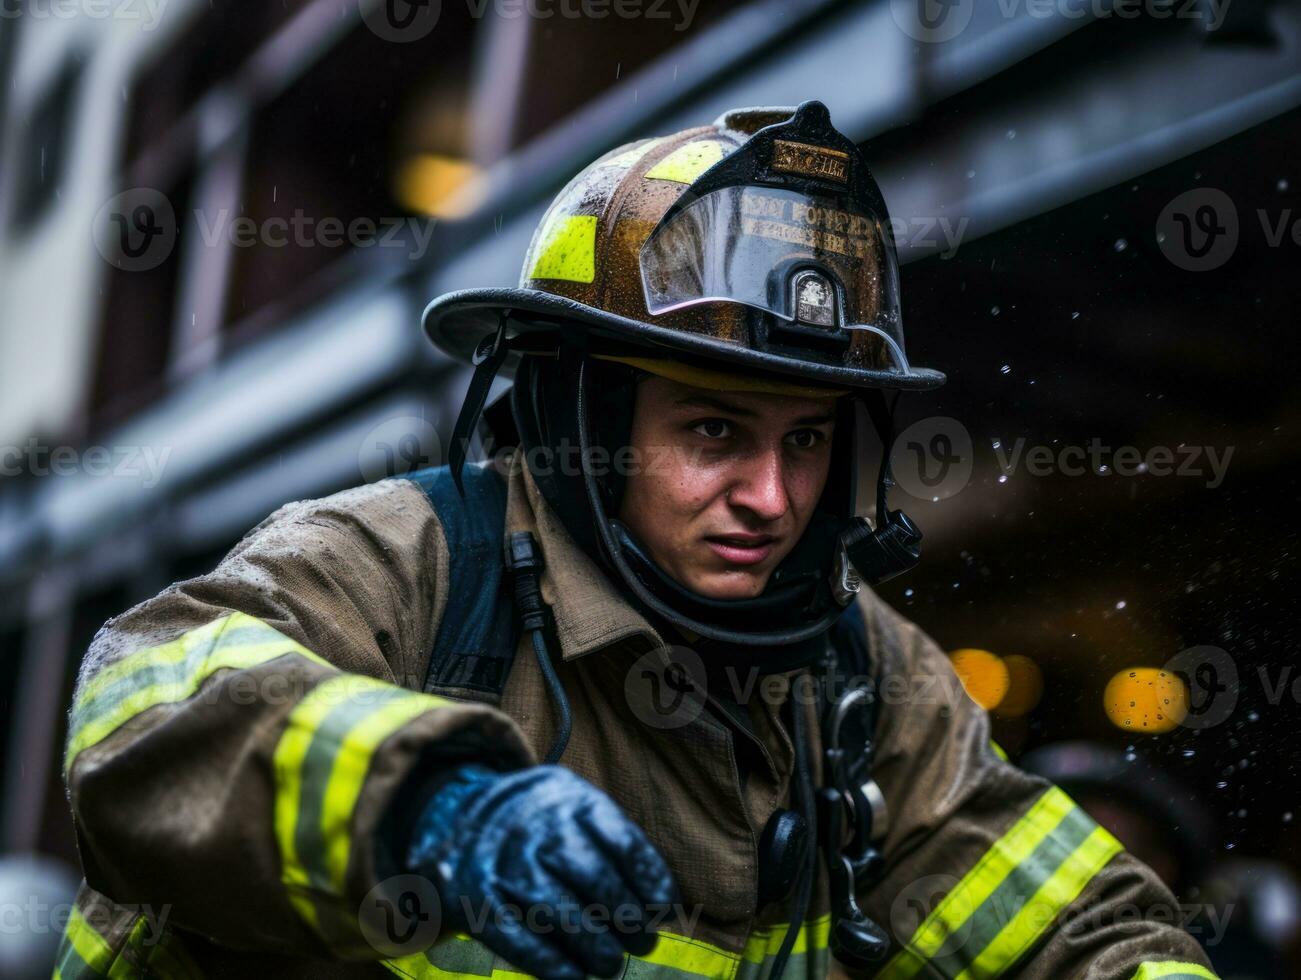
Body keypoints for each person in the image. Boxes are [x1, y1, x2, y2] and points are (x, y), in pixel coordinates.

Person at [53, 102, 1217, 979]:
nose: (772, 495)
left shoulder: (866, 675)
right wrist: (435, 804)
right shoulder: (409, 561)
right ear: (580, 421)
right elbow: (145, 704)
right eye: (713, 428)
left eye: (807, 440)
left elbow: (1079, 925)